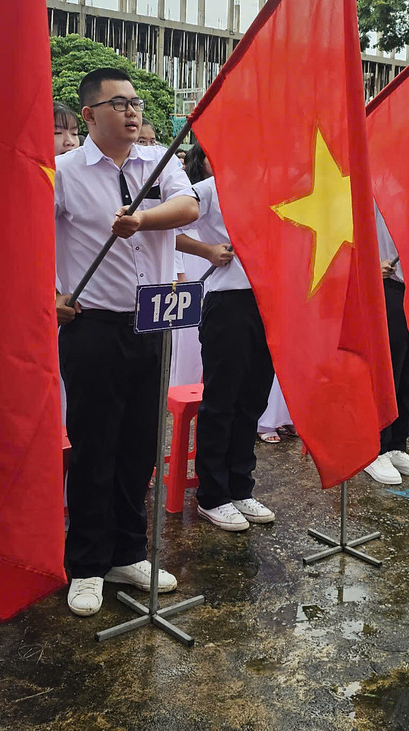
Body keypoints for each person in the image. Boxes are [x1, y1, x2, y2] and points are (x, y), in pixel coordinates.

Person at [54, 67, 198, 617]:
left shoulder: (160, 163)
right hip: (93, 323)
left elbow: (189, 209)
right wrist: (52, 296)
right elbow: (35, 237)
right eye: (119, 104)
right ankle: (87, 562)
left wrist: (141, 219)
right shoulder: (65, 172)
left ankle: (128, 550)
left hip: (153, 320)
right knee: (95, 442)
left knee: (140, 441)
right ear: (89, 115)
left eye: (136, 102)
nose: (133, 112)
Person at [174, 145, 275, 532]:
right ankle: (213, 495)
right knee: (223, 399)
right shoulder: (210, 190)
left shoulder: (271, 188)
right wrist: (208, 250)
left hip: (268, 301)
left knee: (252, 399)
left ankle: (241, 486)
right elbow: (170, 228)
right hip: (228, 302)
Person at [364, 207, 409, 485]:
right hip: (385, 288)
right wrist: (368, 265)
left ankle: (396, 444)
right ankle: (374, 449)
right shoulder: (371, 192)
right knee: (387, 372)